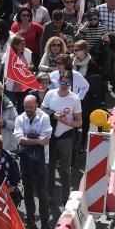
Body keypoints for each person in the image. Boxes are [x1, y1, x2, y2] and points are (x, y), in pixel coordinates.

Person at [42, 72, 81, 208]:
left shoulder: (74, 99)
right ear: (58, 82)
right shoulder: (50, 94)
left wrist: (66, 122)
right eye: (62, 82)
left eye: (67, 83)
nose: (64, 86)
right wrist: (53, 115)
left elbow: (79, 123)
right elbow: (42, 112)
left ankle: (66, 200)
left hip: (66, 137)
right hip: (51, 137)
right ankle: (48, 196)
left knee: (65, 170)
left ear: (71, 84)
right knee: (49, 168)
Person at [14, 94, 52, 229]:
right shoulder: (19, 118)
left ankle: (45, 222)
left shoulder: (45, 118)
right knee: (28, 192)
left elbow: (46, 139)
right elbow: (19, 140)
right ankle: (30, 221)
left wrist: (27, 139)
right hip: (25, 162)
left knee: (42, 193)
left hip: (41, 162)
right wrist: (36, 140)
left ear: (37, 105)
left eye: (31, 107)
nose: (28, 109)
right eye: (26, 107)